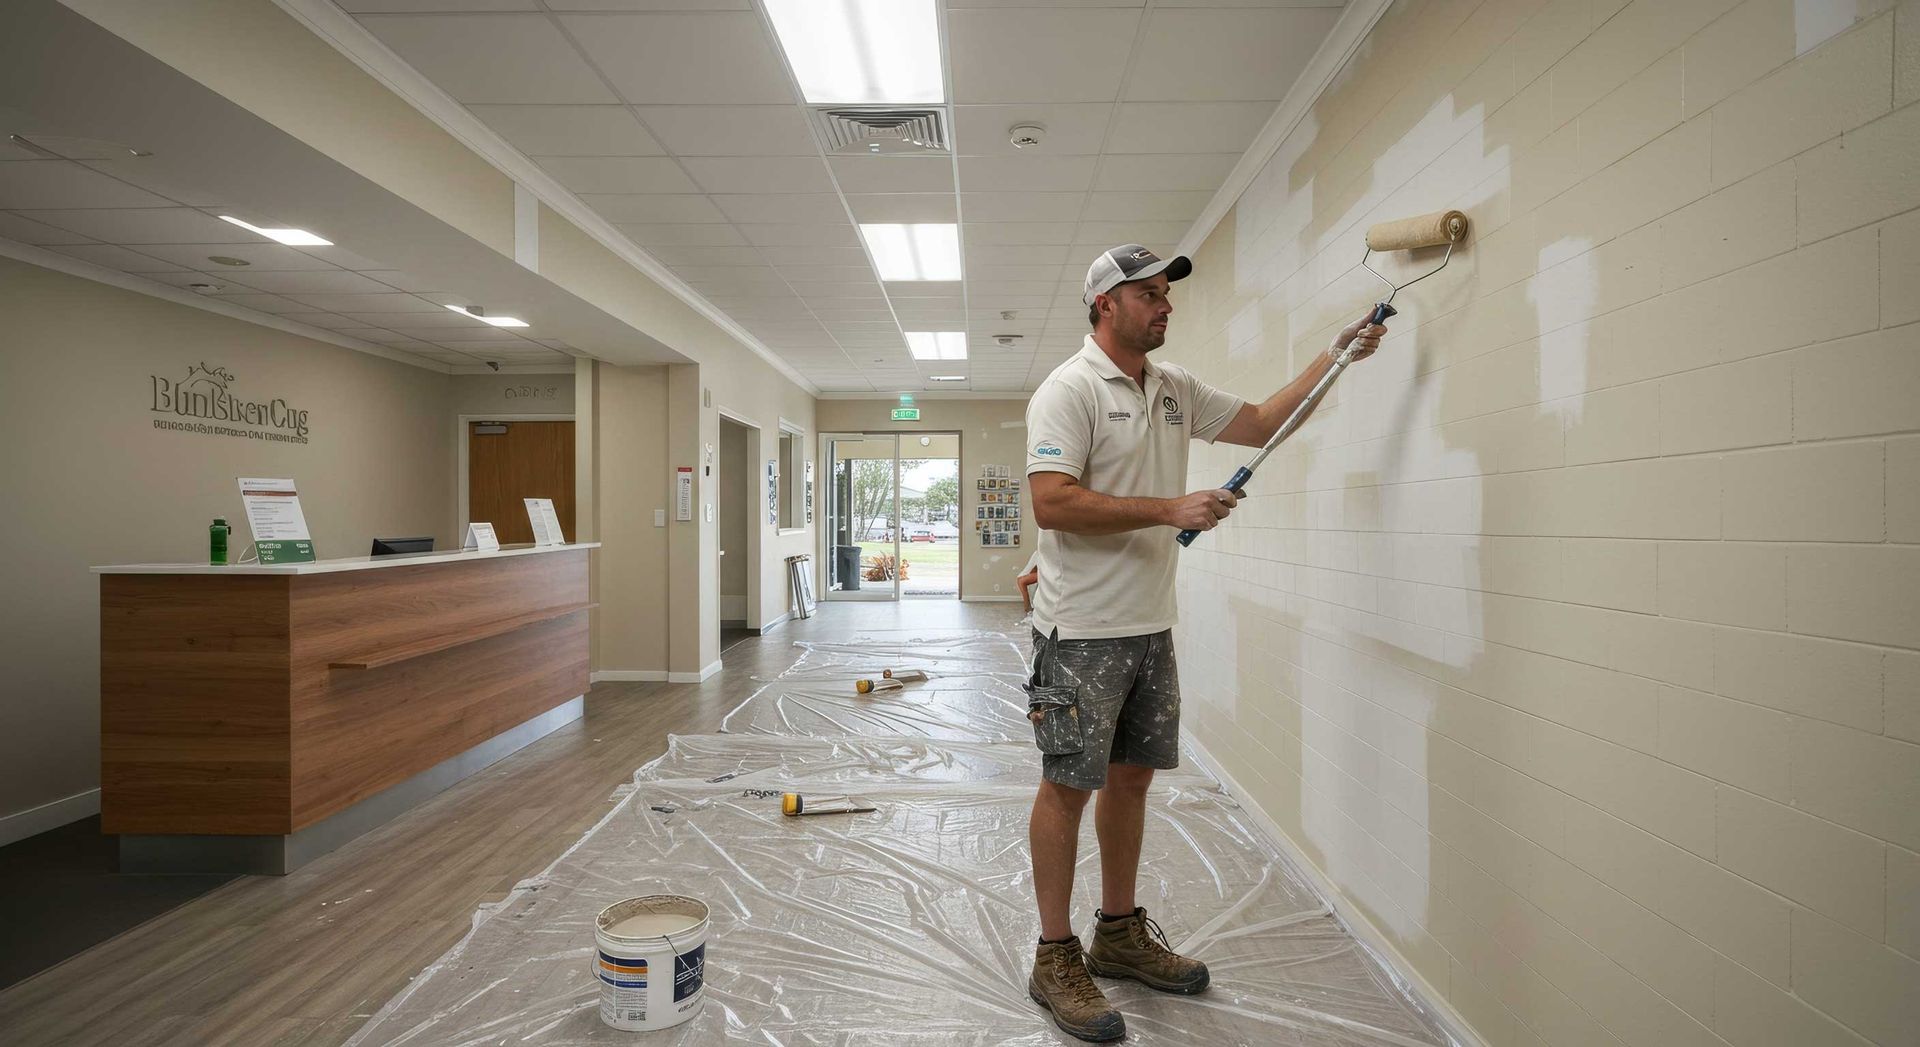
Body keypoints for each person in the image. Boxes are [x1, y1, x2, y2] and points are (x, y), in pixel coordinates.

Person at [1021, 244, 1385, 1042]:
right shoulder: (1069, 389)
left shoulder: (1174, 387)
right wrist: (1168, 509)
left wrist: (1336, 357)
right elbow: (1052, 502)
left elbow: (1259, 421)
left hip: (1150, 625)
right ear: (1104, 306)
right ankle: (1055, 954)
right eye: (1147, 294)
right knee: (1068, 789)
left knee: (1133, 782)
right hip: (1080, 631)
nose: (1165, 306)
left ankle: (1117, 932)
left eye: (1165, 294)